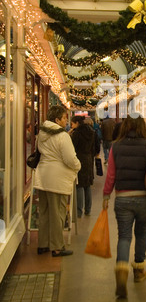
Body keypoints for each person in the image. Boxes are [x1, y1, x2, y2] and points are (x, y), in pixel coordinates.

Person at [102, 114, 146, 299]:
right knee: (141, 233)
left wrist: (106, 195)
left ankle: (121, 269)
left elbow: (111, 174)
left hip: (123, 198)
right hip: (144, 197)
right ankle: (138, 271)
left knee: (124, 236)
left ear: (125, 126)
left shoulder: (115, 147)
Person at [34, 105, 81, 257]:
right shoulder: (62, 136)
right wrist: (78, 165)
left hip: (42, 176)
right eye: (64, 118)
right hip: (57, 179)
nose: (66, 121)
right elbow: (69, 158)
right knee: (57, 213)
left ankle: (43, 244)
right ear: (57, 120)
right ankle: (56, 247)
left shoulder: (41, 133)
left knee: (45, 211)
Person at [71, 115, 97, 217]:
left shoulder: (76, 133)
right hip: (89, 159)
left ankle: (79, 211)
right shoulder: (91, 132)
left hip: (79, 159)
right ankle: (88, 209)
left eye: (72, 123)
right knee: (87, 185)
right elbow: (94, 147)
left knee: (79, 185)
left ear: (77, 123)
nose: (71, 125)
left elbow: (72, 148)